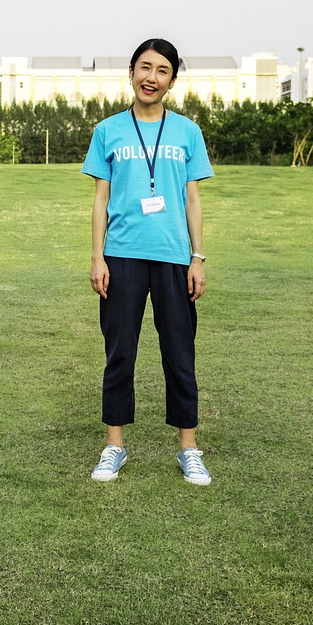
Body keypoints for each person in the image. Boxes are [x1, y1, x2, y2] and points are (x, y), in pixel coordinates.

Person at [82, 38, 214, 486]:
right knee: (119, 353)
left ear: (172, 80)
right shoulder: (108, 131)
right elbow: (100, 199)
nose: (150, 77)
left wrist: (197, 257)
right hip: (121, 257)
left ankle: (189, 448)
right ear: (131, 72)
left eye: (161, 70)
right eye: (144, 67)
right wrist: (97, 257)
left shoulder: (188, 133)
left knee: (180, 354)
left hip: (175, 258)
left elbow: (192, 198)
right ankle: (114, 446)